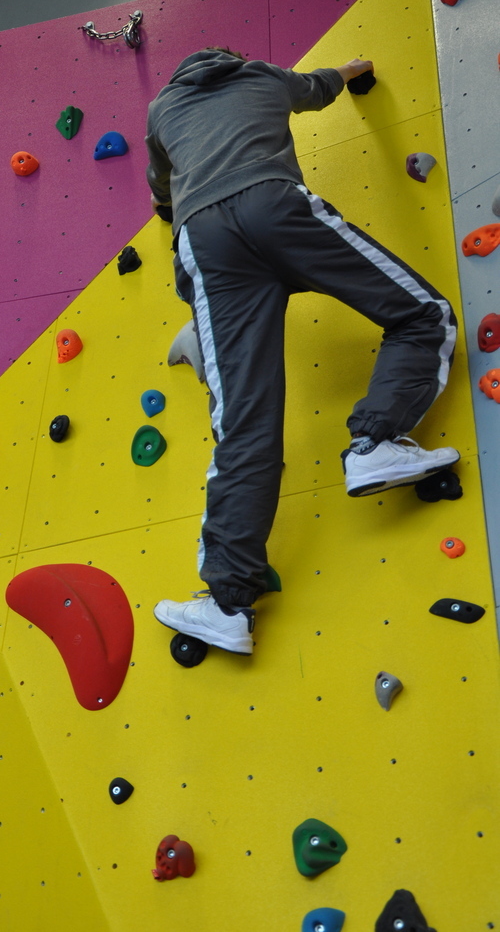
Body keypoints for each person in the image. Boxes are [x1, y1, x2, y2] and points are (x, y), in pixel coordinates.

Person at [144, 47, 459, 656]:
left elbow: (160, 186)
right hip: (273, 205)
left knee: (244, 423)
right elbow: (318, 86)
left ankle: (229, 605)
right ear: (232, 62)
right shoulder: (259, 77)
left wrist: (167, 207)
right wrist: (359, 69)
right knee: (422, 313)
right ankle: (373, 444)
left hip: (205, 243)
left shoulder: (162, 109)